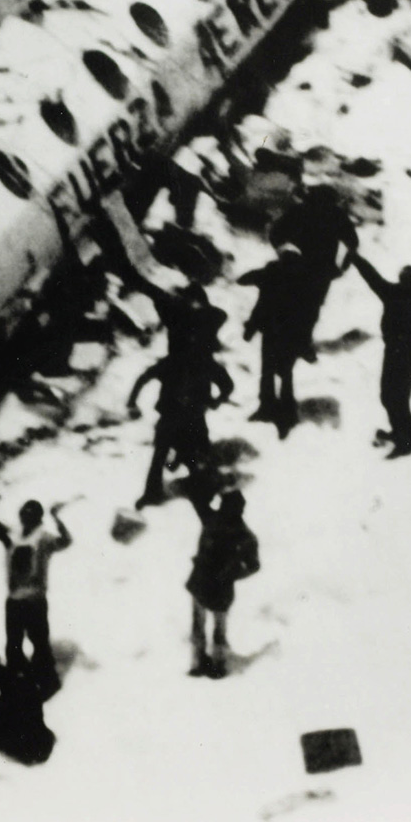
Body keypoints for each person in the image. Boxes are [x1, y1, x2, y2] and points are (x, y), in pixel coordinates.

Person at [127, 295, 233, 507]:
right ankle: (192, 487)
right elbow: (227, 386)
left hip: (181, 414)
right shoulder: (200, 363)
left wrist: (132, 401)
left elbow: (143, 378)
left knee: (174, 454)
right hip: (185, 414)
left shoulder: (181, 362)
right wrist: (217, 400)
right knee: (183, 453)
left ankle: (158, 491)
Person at [352, 254, 411, 456]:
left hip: (400, 353)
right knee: (394, 396)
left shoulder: (392, 292)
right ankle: (402, 431)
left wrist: (355, 257)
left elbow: (372, 277)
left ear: (403, 278)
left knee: (393, 397)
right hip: (405, 353)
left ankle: (406, 439)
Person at [0, 496, 71, 681]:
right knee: (14, 643)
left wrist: (57, 519)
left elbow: (66, 541)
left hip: (35, 599)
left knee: (39, 642)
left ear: (37, 518)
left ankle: (47, 678)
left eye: (29, 515)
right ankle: (17, 680)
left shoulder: (44, 539)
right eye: (23, 514)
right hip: (14, 600)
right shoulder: (12, 534)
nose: (25, 518)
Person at [269, 184, 359, 342]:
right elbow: (353, 243)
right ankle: (301, 342)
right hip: (321, 269)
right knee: (311, 307)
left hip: (297, 265)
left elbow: (276, 234)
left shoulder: (300, 210)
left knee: (291, 301)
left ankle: (285, 338)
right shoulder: (336, 214)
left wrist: (283, 252)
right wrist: (343, 265)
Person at [239, 245, 316, 429]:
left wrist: (251, 328)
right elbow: (308, 313)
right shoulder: (302, 279)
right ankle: (285, 412)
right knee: (284, 372)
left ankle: (270, 408)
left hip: (273, 331)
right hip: (289, 333)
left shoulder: (271, 274)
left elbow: (245, 281)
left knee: (270, 371)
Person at [184, 490, 259, 680]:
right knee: (212, 626)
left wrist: (232, 574)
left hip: (209, 583)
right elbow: (253, 566)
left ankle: (206, 661)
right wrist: (232, 574)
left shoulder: (222, 524)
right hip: (211, 583)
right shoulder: (239, 531)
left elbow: (253, 565)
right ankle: (210, 662)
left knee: (205, 625)